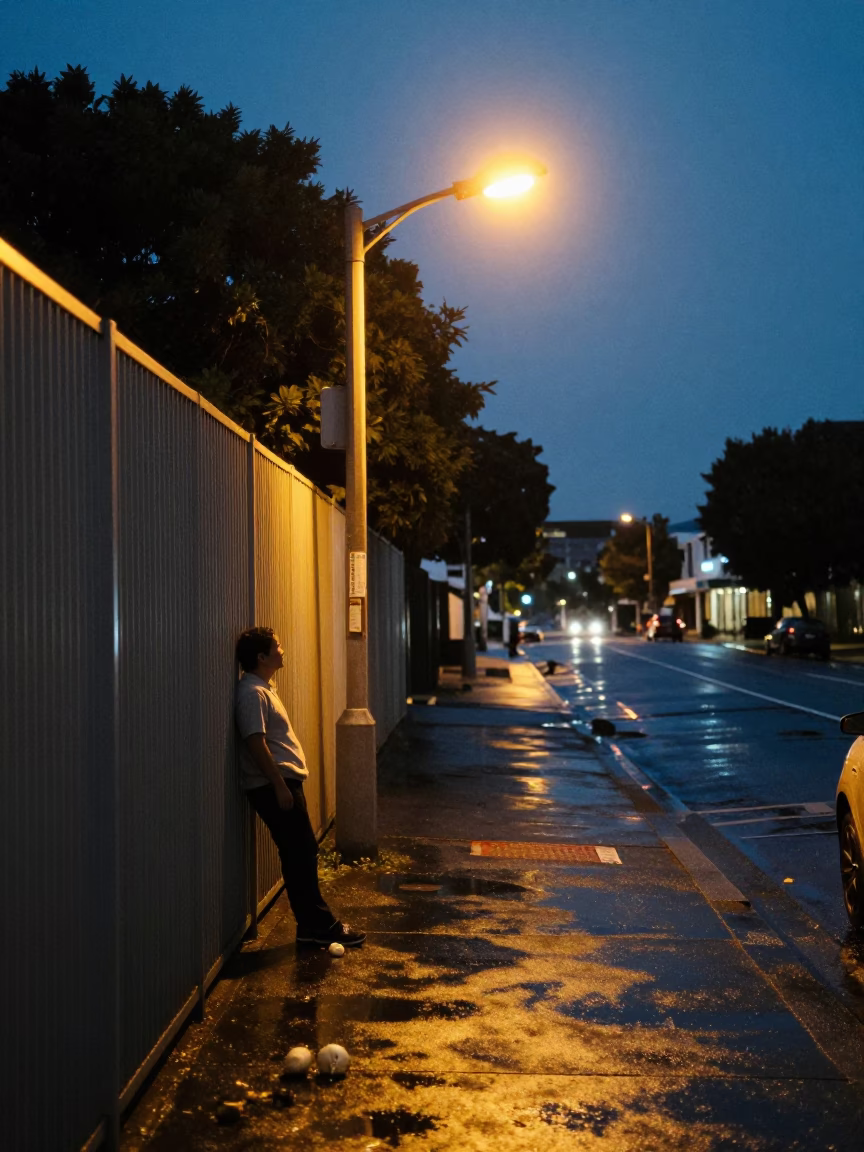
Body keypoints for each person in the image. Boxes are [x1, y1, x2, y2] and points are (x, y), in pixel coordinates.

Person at [234, 626, 365, 947]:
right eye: (276, 646)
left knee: (301, 852)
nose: (282, 650)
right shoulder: (252, 693)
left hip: (281, 783)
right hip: (273, 785)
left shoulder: (263, 689)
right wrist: (279, 785)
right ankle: (318, 927)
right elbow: (255, 741)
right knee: (300, 854)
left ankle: (313, 925)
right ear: (262, 657)